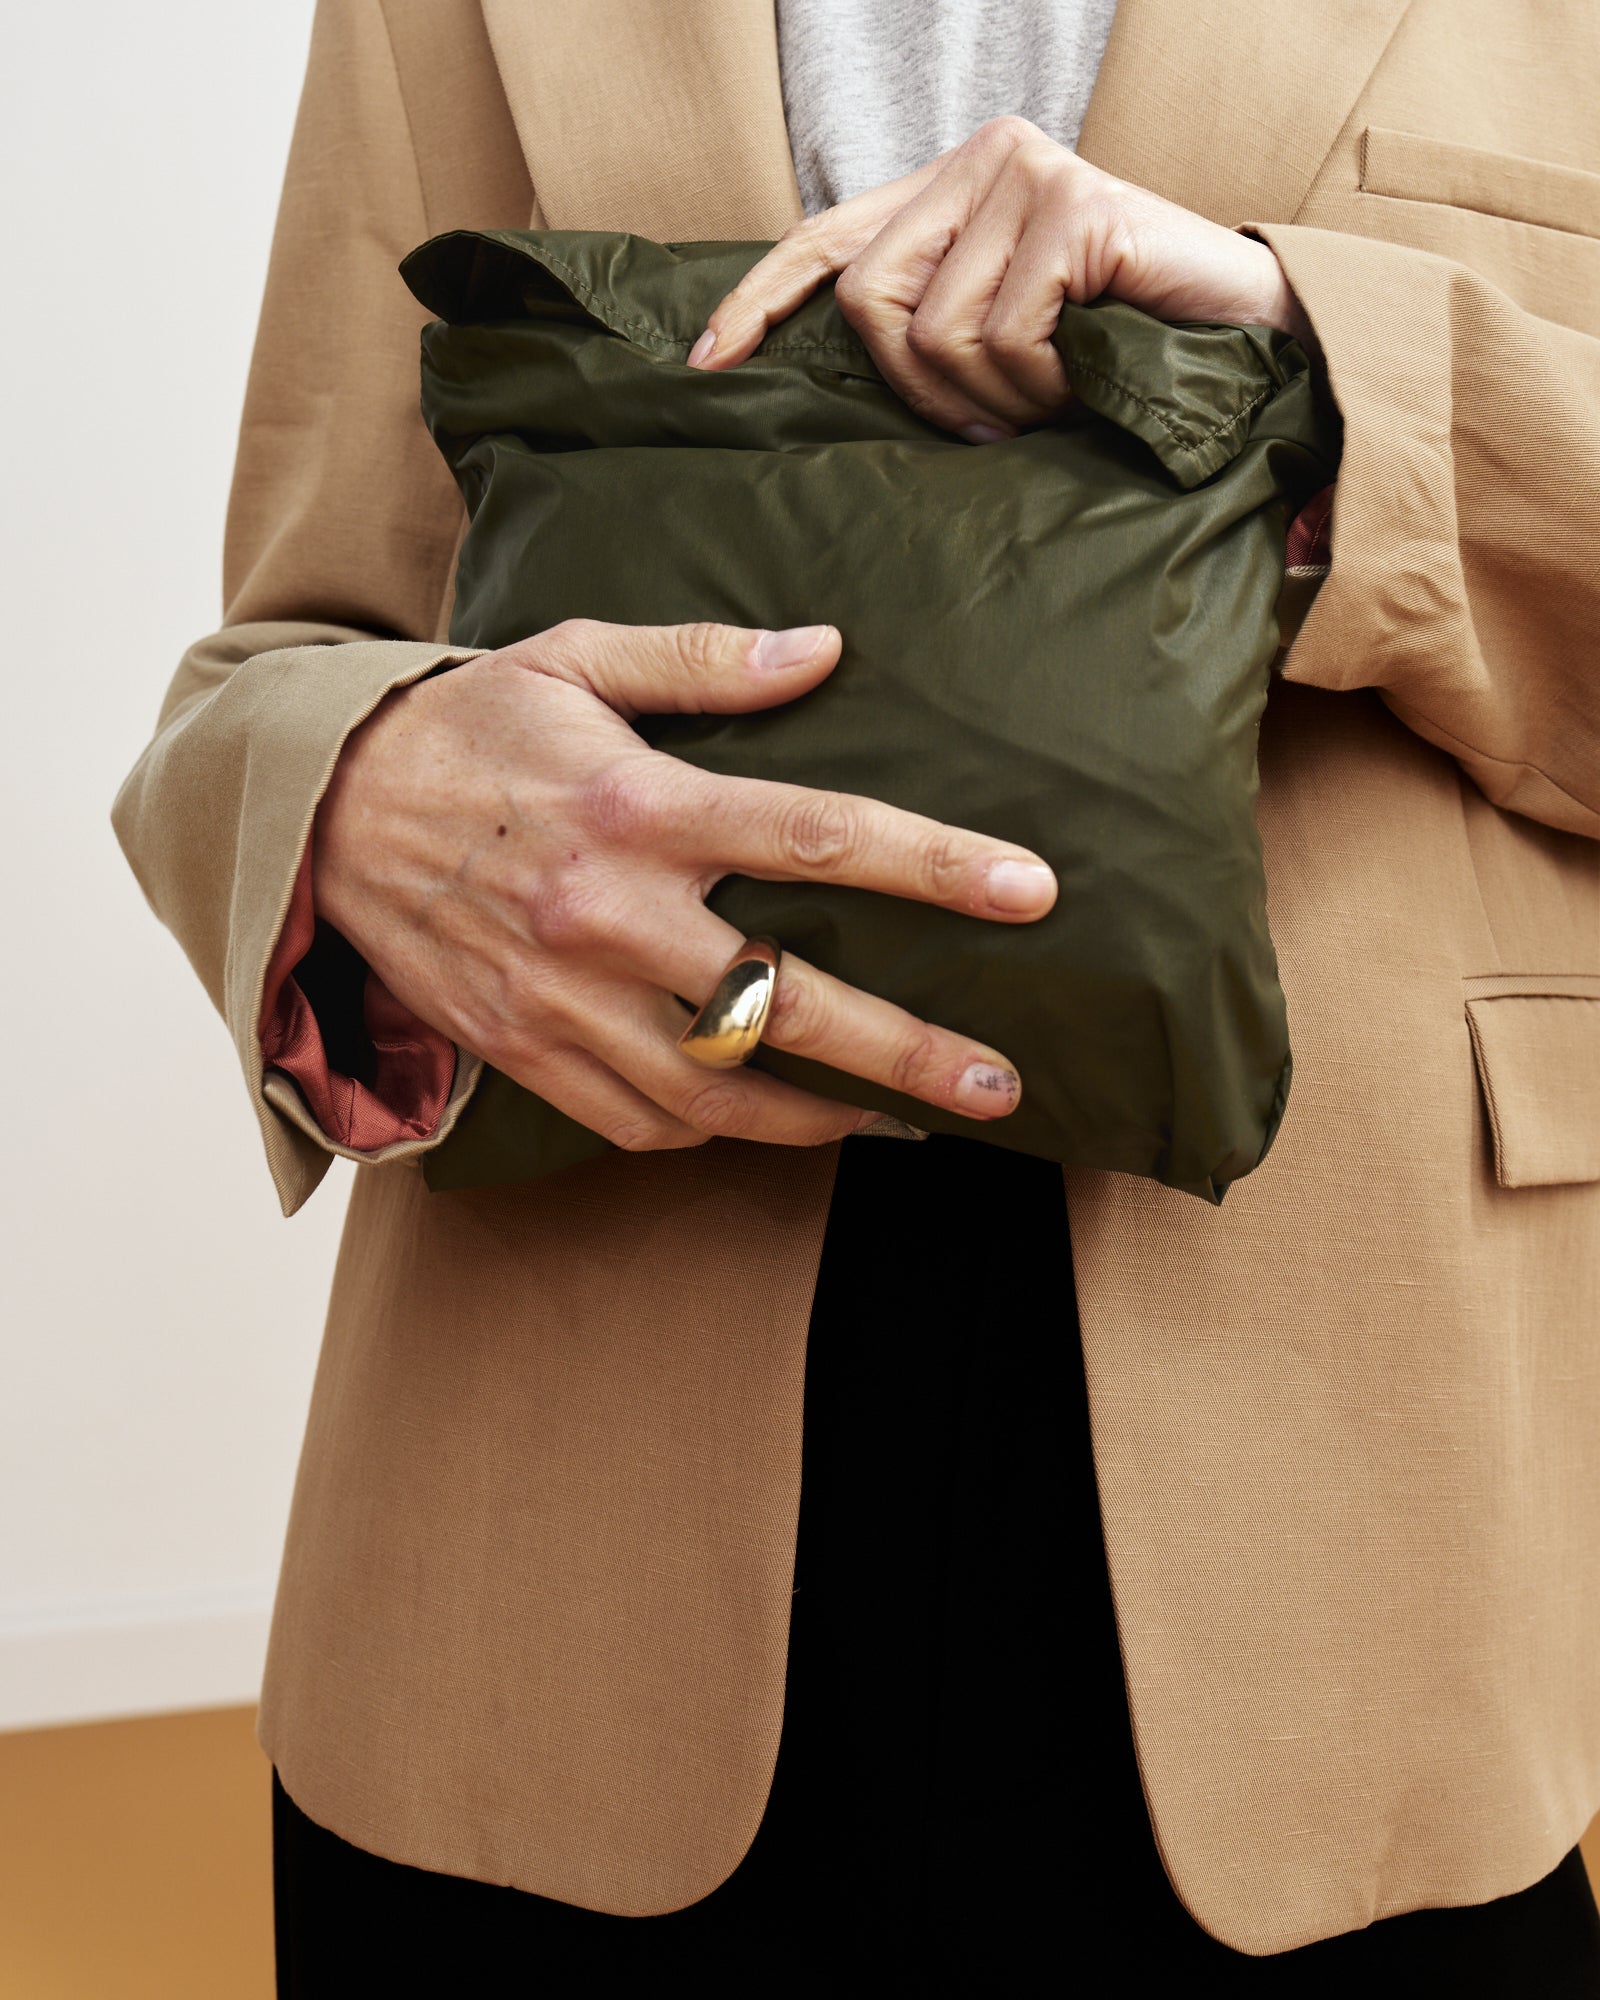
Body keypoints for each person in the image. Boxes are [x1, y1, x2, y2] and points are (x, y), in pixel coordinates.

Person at [114, 0, 1600, 1988]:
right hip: (549, 1528)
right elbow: (285, 655)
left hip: (1352, 1520)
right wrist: (357, 776)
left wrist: (1321, 369)